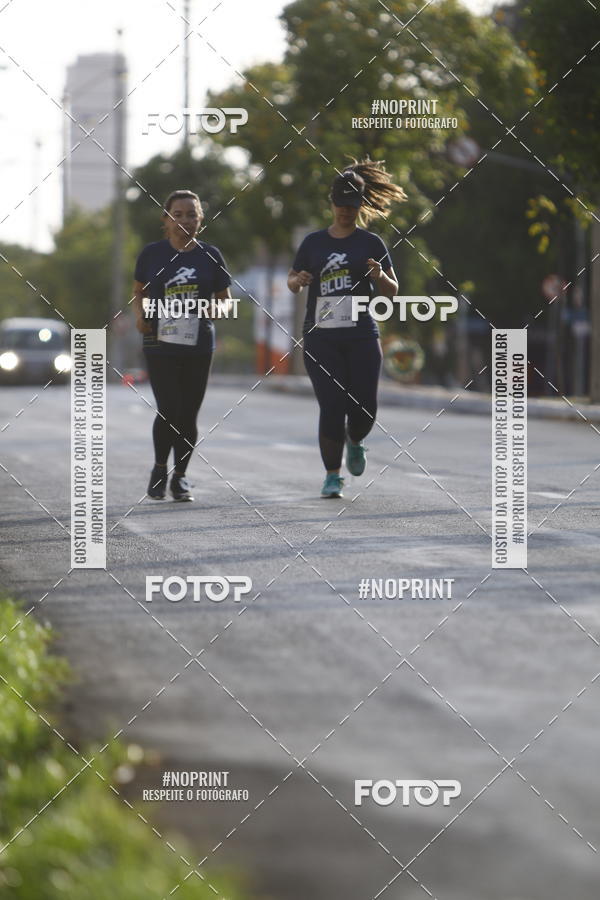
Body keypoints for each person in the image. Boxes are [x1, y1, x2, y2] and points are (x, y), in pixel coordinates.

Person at [288, 159, 406, 498]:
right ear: (331, 202)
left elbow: (393, 289)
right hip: (321, 337)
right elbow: (292, 281)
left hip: (361, 335)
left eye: (352, 206)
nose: (345, 212)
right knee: (332, 405)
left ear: (360, 206)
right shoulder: (313, 243)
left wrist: (379, 277)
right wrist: (299, 279)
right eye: (340, 205)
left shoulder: (371, 244)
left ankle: (356, 440)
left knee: (364, 406)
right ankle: (332, 475)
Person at [132, 189, 232, 501]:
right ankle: (160, 468)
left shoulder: (211, 256)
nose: (185, 220)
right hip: (159, 343)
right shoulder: (152, 254)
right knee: (168, 409)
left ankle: (181, 477)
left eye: (191, 214)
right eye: (178, 214)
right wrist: (140, 316)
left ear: (200, 220)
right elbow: (139, 292)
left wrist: (218, 311)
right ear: (167, 219)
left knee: (188, 414)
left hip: (199, 345)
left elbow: (226, 301)